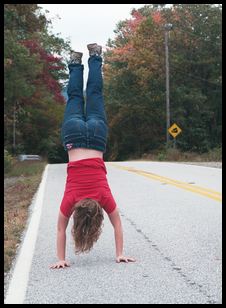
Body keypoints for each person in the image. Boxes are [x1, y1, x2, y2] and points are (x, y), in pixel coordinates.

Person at [50, 43, 135, 269]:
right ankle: (75, 62)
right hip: (74, 135)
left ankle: (95, 56)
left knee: (95, 93)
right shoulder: (71, 201)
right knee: (75, 97)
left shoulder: (103, 197)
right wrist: (60, 258)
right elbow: (60, 229)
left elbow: (117, 224)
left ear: (97, 215)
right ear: (78, 218)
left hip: (97, 136)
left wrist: (120, 253)